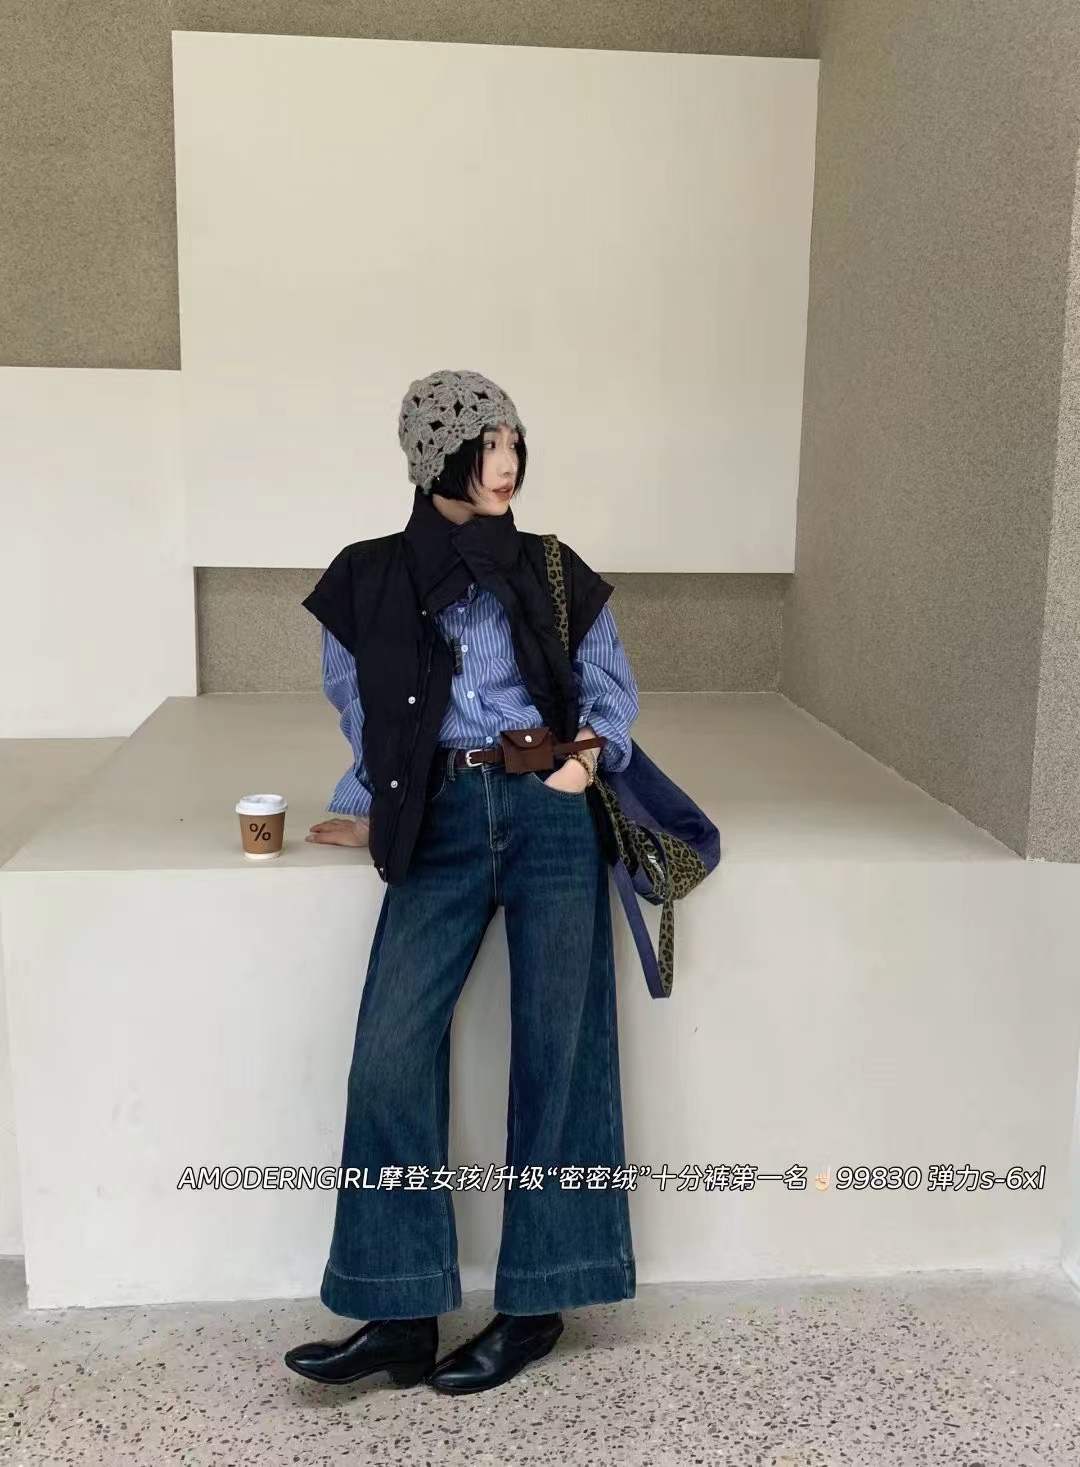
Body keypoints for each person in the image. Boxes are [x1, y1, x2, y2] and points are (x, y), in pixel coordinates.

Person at [284, 369, 639, 1395]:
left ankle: (537, 1305)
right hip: (438, 814)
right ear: (434, 454)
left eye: (515, 442)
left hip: (548, 810)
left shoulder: (552, 567)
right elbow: (365, 711)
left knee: (561, 1051)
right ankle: (400, 1314)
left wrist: (582, 764)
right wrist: (371, 803)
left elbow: (611, 691)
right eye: (488, 445)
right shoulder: (367, 577)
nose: (507, 463)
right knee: (390, 1052)